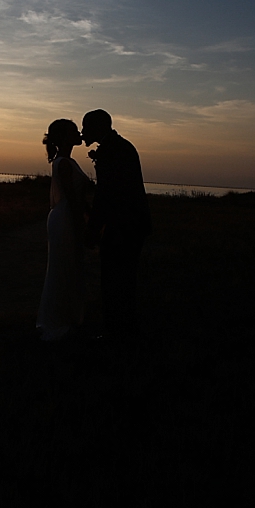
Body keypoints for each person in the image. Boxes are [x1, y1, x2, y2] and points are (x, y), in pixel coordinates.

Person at [82, 109, 150, 340]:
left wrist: (92, 229)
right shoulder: (118, 147)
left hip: (125, 226)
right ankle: (122, 329)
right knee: (122, 279)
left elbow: (105, 194)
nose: (83, 132)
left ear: (99, 126)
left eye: (86, 126)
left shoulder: (113, 150)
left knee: (115, 279)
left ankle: (117, 332)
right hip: (130, 223)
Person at [36, 119, 91, 342]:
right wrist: (82, 224)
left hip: (64, 216)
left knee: (68, 267)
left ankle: (66, 318)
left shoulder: (65, 161)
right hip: (66, 219)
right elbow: (72, 197)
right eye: (74, 130)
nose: (79, 132)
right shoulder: (64, 163)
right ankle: (58, 322)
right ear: (64, 137)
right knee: (64, 267)